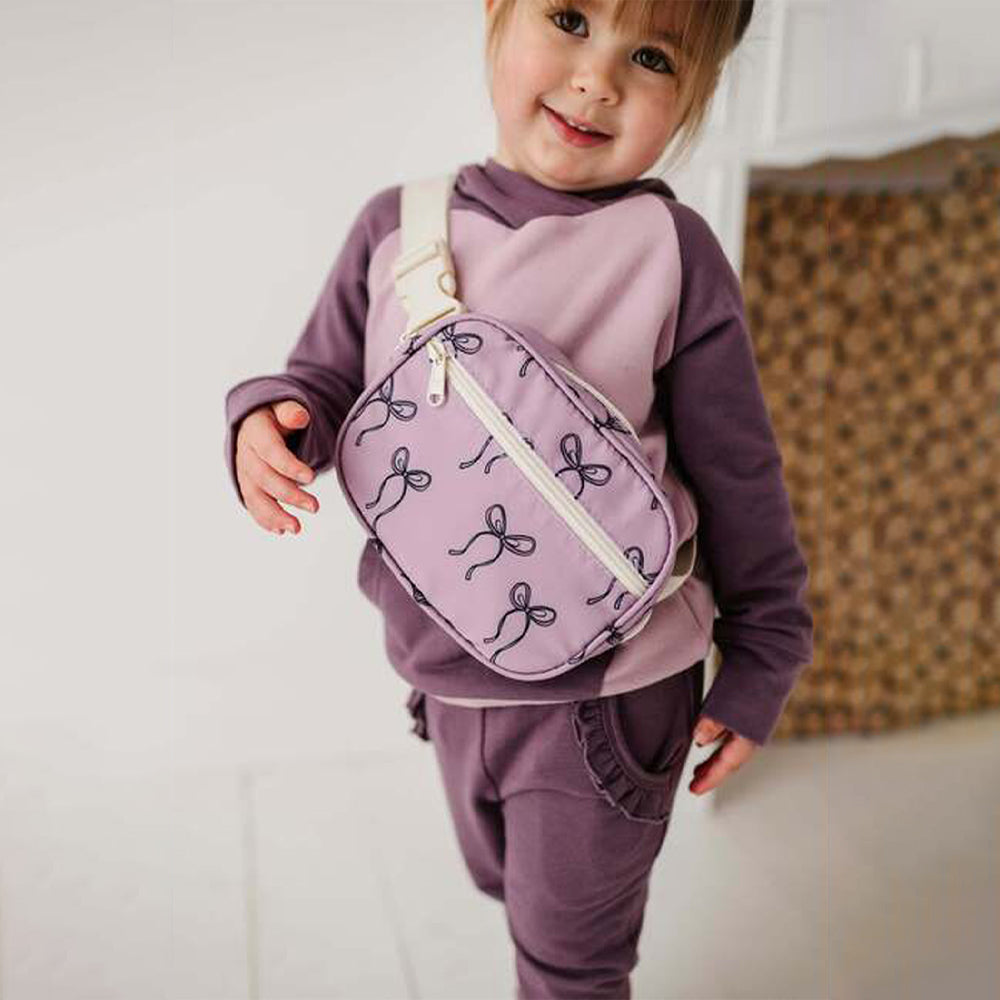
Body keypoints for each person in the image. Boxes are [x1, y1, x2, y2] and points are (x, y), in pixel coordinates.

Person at [223, 2, 814, 996]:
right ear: (496, 12)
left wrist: (764, 653)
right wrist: (269, 419)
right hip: (445, 674)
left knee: (569, 963)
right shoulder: (395, 225)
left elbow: (738, 471)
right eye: (571, 18)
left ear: (698, 96)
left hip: (614, 691)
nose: (597, 79)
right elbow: (324, 386)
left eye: (653, 56)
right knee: (506, 886)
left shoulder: (669, 250)